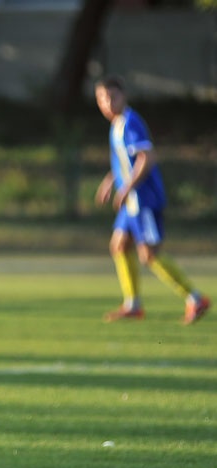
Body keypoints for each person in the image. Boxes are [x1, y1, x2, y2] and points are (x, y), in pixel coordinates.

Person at [93, 76, 210, 325]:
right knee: (119, 246)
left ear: (123, 96)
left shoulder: (131, 122)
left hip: (143, 199)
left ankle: (195, 298)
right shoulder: (116, 126)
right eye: (102, 99)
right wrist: (110, 182)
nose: (108, 103)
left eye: (112, 97)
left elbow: (146, 157)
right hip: (131, 200)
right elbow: (125, 162)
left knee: (150, 255)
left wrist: (127, 188)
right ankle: (133, 305)